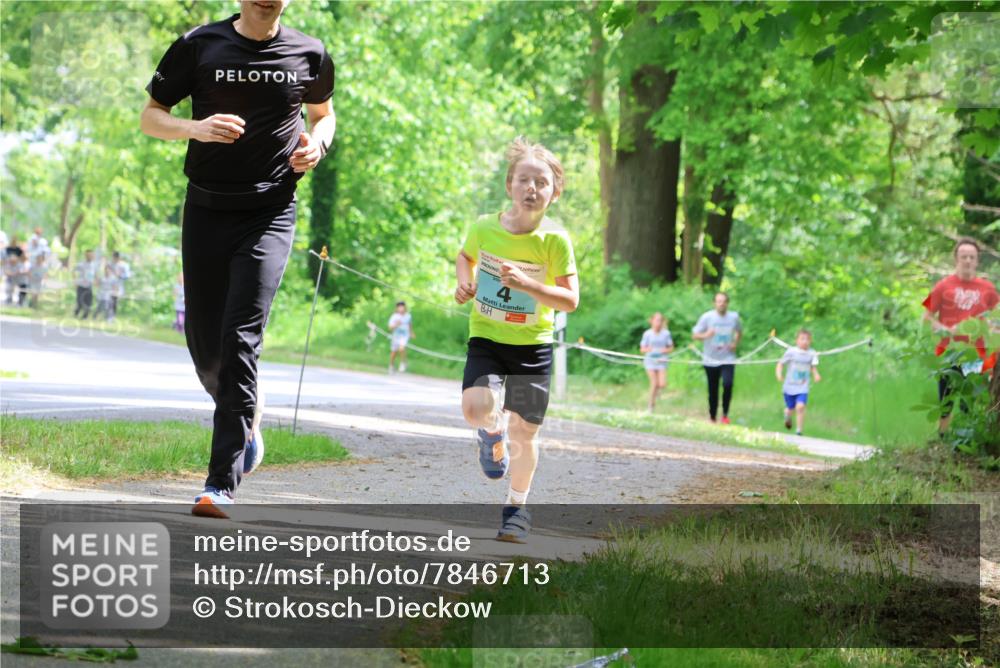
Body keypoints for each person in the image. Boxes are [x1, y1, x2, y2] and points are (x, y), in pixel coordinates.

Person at [141, 0, 335, 517]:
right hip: (206, 208)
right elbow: (151, 116)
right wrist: (195, 128)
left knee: (241, 335)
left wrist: (317, 144)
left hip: (270, 212)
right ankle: (247, 418)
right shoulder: (198, 45)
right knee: (207, 349)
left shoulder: (309, 53)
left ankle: (219, 484)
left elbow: (323, 115)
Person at [454, 137, 579, 543]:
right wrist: (464, 282)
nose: (532, 188)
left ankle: (517, 510)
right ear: (509, 185)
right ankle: (491, 434)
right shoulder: (485, 228)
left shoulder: (554, 241)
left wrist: (529, 284)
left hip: (533, 347)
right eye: (524, 179)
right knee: (476, 408)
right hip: (488, 338)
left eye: (541, 182)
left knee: (526, 433)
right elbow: (464, 257)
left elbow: (571, 299)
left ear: (554, 192)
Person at [922, 237, 999, 435]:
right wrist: (945, 329)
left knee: (970, 402)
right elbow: (927, 316)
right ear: (956, 258)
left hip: (976, 354)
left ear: (977, 260)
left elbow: (997, 316)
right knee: (946, 399)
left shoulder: (987, 288)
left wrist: (992, 329)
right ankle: (942, 439)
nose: (967, 260)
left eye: (971, 257)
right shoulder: (943, 286)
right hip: (949, 351)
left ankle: (966, 442)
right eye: (963, 256)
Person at [692, 292, 742, 424]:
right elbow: (695, 335)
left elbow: (739, 331)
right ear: (714, 303)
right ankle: (712, 416)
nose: (721, 304)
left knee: (728, 384)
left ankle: (725, 414)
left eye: (724, 301)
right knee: (712, 389)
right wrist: (706, 335)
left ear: (727, 303)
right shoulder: (707, 317)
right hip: (710, 359)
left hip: (728, 358)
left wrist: (735, 343)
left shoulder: (733, 317)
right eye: (719, 301)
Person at [775, 329, 821, 436]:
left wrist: (816, 375)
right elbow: (780, 364)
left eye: (807, 339)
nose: (805, 341)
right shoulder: (791, 352)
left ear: (810, 341)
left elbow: (813, 367)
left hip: (803, 386)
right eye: (802, 339)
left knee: (800, 407)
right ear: (797, 341)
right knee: (790, 408)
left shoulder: (811, 353)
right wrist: (779, 374)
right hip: (789, 386)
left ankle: (799, 430)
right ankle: (787, 415)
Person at [639, 312, 674, 412]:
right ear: (652, 321)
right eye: (656, 320)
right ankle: (651, 406)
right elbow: (642, 349)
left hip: (662, 361)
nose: (658, 322)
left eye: (660, 320)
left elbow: (671, 348)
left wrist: (664, 350)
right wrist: (648, 349)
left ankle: (657, 393)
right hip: (650, 361)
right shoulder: (647, 334)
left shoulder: (666, 333)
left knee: (662, 384)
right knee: (654, 383)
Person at [387, 301, 414, 373]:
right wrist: (396, 324)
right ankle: (391, 365)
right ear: (397, 308)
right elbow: (390, 328)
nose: (401, 308)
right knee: (394, 351)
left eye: (402, 306)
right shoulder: (394, 316)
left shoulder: (408, 316)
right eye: (399, 306)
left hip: (404, 335)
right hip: (396, 335)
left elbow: (410, 324)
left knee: (401, 348)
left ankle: (403, 363)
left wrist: (411, 333)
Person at [73, 249, 97, 319]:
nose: (90, 256)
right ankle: (76, 313)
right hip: (81, 286)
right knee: (80, 302)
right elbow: (74, 271)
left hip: (89, 286)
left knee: (88, 303)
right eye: (88, 255)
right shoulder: (81, 264)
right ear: (86, 256)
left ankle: (85, 317)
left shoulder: (94, 265)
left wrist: (96, 281)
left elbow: (95, 274)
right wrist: (75, 281)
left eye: (91, 255)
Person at [27, 235, 50, 308]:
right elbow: (29, 271)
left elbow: (46, 274)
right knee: (33, 293)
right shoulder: (33, 265)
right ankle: (32, 303)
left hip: (39, 281)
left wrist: (44, 280)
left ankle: (34, 304)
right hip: (33, 280)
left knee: (37, 294)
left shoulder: (44, 266)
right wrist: (30, 277)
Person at [109, 251, 131, 318]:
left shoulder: (124, 265)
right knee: (107, 301)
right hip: (109, 285)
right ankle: (107, 315)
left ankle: (112, 317)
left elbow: (127, 275)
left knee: (114, 301)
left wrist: (120, 275)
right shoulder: (110, 264)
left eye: (115, 257)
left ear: (119, 257)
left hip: (118, 286)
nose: (114, 259)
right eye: (113, 257)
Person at [4, 235, 24, 305]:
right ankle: (9, 298)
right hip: (9, 265)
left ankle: (19, 299)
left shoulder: (18, 249)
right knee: (8, 285)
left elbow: (22, 257)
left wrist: (17, 259)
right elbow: (5, 257)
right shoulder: (8, 248)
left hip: (16, 266)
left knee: (17, 285)